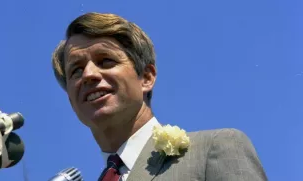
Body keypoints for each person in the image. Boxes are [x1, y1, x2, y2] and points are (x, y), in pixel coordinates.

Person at [51, 12, 267, 181]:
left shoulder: (214, 148)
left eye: (106, 60)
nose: (88, 75)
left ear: (146, 77)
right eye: (76, 71)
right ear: (70, 98)